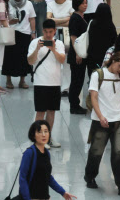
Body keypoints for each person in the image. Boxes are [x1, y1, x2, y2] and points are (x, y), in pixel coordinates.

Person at [84, 51, 120, 198]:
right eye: (119, 66)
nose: (119, 70)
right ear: (113, 60)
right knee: (96, 152)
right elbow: (93, 97)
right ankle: (89, 176)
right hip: (100, 120)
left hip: (118, 120)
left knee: (119, 154)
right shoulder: (98, 75)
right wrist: (100, 116)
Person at [27, 20, 66, 148]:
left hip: (55, 83)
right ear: (42, 30)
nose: (48, 35)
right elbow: (30, 61)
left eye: (51, 31)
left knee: (52, 111)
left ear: (55, 31)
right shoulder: (35, 43)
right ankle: (38, 139)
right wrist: (38, 49)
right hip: (40, 82)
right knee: (40, 112)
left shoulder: (59, 43)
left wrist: (53, 49)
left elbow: (62, 60)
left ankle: (48, 137)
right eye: (46, 31)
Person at [18, 121, 76, 200]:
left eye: (46, 131)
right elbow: (22, 178)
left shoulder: (47, 153)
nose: (44, 135)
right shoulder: (29, 153)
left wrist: (63, 192)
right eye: (40, 132)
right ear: (33, 135)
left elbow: (47, 177)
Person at [4, 0, 37, 89]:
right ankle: (8, 80)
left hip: (25, 33)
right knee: (9, 57)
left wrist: (33, 32)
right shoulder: (7, 3)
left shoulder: (28, 4)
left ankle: (22, 81)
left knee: (23, 57)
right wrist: (10, 21)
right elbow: (3, 18)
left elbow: (32, 19)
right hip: (11, 32)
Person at [67, 0, 89, 114]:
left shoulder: (81, 17)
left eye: (86, 3)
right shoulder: (75, 18)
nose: (85, 5)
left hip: (81, 52)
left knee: (79, 80)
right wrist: (78, 53)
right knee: (76, 81)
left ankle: (75, 104)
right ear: (77, 5)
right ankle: (74, 106)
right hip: (76, 54)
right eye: (82, 3)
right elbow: (73, 37)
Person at [86, 3, 118, 74]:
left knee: (93, 77)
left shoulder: (93, 24)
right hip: (106, 56)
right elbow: (114, 40)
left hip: (93, 55)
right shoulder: (111, 26)